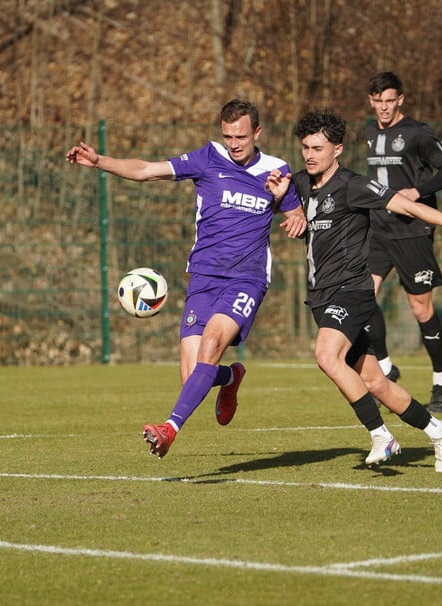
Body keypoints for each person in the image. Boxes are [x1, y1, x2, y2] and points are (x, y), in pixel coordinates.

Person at [66, 99, 306, 459]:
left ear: (257, 132)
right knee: (193, 375)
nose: (234, 143)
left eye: (241, 136)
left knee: (210, 347)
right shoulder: (208, 158)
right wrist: (101, 162)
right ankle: (230, 377)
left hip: (246, 279)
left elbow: (298, 219)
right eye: (228, 136)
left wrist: (286, 201)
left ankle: (168, 429)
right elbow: (147, 169)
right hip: (204, 277)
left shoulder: (276, 170)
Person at [267, 109, 442, 472]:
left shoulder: (354, 185)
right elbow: (285, 205)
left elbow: (407, 205)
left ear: (337, 149)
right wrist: (282, 201)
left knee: (326, 356)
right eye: (305, 147)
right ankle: (438, 430)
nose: (310, 154)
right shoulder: (300, 182)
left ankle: (380, 435)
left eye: (318, 148)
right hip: (321, 295)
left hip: (352, 291)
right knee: (374, 382)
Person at [364, 71, 442, 412]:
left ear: (400, 99)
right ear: (371, 101)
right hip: (377, 229)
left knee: (421, 308)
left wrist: (417, 192)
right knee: (362, 294)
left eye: (390, 100)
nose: (384, 107)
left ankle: (440, 378)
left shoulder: (418, 133)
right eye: (378, 101)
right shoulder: (369, 131)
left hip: (412, 231)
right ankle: (387, 366)